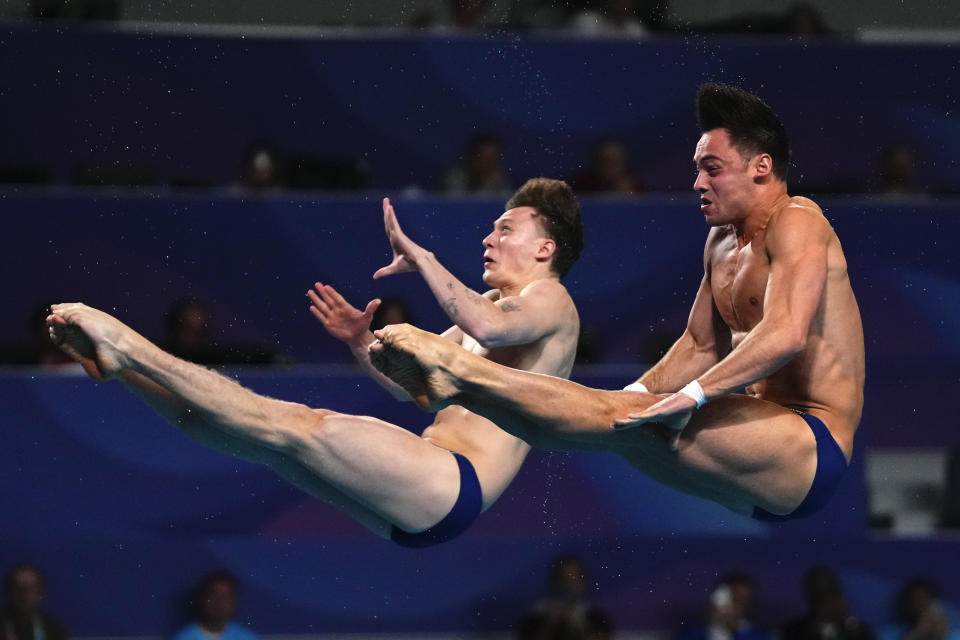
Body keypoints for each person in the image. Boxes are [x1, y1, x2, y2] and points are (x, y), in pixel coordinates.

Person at [369, 82, 865, 521]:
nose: (697, 183)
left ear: (762, 167)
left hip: (810, 445)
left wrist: (689, 396)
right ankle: (458, 389)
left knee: (612, 419)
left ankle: (457, 370)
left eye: (712, 169)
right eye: (696, 170)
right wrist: (639, 390)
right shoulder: (721, 243)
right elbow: (699, 343)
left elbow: (786, 334)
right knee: (608, 424)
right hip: (753, 454)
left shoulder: (799, 219)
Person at [45, 178, 584, 547]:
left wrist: (424, 258)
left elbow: (488, 330)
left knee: (296, 424)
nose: (489, 238)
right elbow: (408, 389)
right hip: (424, 493)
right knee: (254, 437)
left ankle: (127, 343)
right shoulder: (490, 306)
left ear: (544, 249)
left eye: (505, 229)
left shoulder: (552, 301)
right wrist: (361, 340)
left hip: (455, 483)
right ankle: (128, 372)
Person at [782, 566, 873, 640]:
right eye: (819, 596)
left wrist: (850, 624)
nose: (827, 601)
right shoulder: (793, 632)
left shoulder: (858, 632)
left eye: (831, 592)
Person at [171, 571, 256, 640]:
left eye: (225, 597)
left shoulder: (245, 637)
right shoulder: (184, 637)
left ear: (233, 602)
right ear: (203, 599)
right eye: (214, 595)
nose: (219, 602)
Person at [1, 563, 68, 640]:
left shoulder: (54, 629)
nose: (24, 593)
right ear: (8, 592)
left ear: (40, 593)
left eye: (31, 588)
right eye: (18, 588)